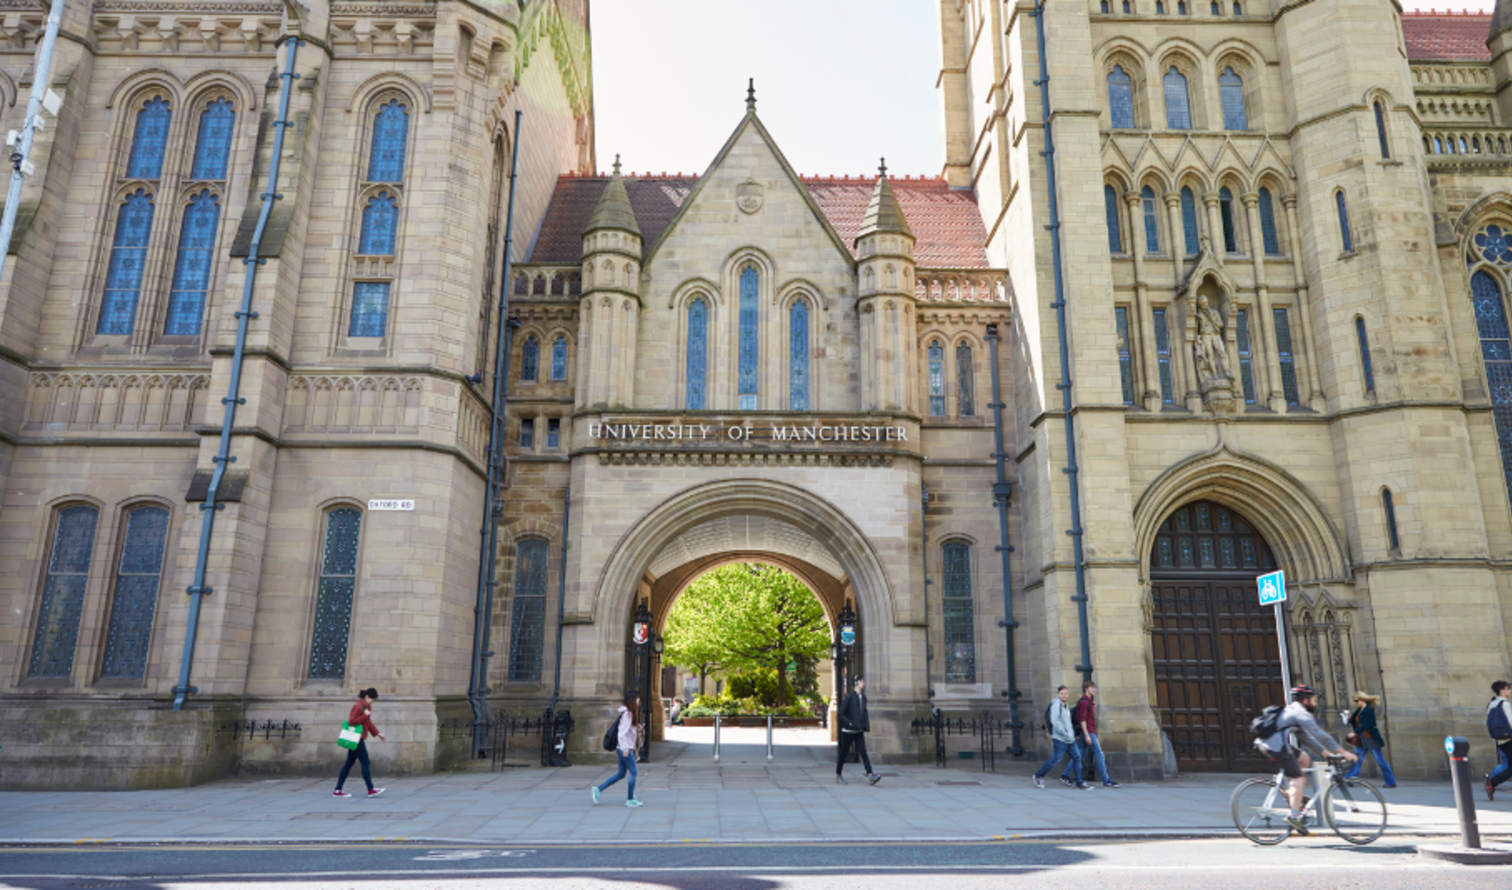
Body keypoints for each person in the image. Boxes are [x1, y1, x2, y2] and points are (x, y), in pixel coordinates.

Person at [1256, 684, 1357, 835]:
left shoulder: (1292, 711)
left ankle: (1292, 791)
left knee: (1304, 758)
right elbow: (1319, 734)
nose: (1316, 704)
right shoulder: (1301, 714)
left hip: (1268, 744)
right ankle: (1295, 815)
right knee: (1299, 779)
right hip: (1276, 746)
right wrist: (1343, 752)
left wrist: (1327, 754)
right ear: (1306, 701)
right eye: (1314, 700)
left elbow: (1309, 740)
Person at [1060, 681, 1120, 788]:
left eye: (1094, 688)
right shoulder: (1084, 702)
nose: (1094, 690)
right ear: (1086, 689)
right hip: (1088, 732)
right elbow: (1082, 720)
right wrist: (1087, 735)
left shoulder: (1087, 701)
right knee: (1099, 754)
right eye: (1092, 688)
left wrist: (1093, 709)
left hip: (1088, 731)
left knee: (1079, 755)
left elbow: (1087, 717)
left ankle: (1065, 775)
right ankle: (1106, 780)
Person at [593, 691, 643, 807]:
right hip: (624, 748)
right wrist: (626, 749)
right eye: (637, 699)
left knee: (621, 774)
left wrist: (637, 727)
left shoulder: (628, 713)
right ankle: (630, 799)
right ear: (633, 700)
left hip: (622, 747)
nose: (639, 701)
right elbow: (621, 734)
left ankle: (598, 789)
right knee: (634, 772)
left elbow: (626, 729)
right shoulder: (628, 714)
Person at [333, 687, 385, 798]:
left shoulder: (365, 708)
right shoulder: (358, 707)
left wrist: (378, 733)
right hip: (357, 740)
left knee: (348, 764)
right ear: (367, 697)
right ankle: (370, 789)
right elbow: (351, 721)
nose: (373, 702)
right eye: (372, 699)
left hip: (357, 739)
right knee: (365, 762)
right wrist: (364, 715)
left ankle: (337, 790)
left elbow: (368, 723)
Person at [1034, 685, 1087, 790]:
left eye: (1066, 694)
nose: (1064, 695)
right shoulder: (1056, 706)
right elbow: (1055, 723)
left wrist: (1070, 734)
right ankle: (1038, 775)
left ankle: (1079, 782)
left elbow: (1067, 723)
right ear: (1058, 694)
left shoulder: (1065, 706)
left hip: (1070, 739)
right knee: (1056, 759)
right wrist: (1065, 734)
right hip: (1060, 739)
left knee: (1077, 757)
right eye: (1062, 694)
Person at [1343, 691, 1396, 788]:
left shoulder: (1369, 710)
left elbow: (1366, 725)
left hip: (1371, 739)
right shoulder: (1359, 710)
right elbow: (1355, 721)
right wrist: (1347, 718)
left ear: (1363, 700)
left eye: (1357, 700)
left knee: (1380, 761)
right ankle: (1350, 779)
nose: (1356, 702)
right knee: (1357, 760)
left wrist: (1354, 732)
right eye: (1355, 701)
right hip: (1362, 739)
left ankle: (1391, 782)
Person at [836, 676, 880, 785]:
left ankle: (870, 775)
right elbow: (840, 713)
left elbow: (863, 713)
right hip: (848, 732)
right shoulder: (849, 697)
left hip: (858, 731)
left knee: (864, 753)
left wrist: (865, 726)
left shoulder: (863, 698)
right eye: (862, 682)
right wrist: (849, 723)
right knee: (844, 754)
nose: (863, 684)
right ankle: (838, 774)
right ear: (857, 683)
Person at [1486, 680, 1512, 800]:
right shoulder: (1504, 704)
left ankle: (1490, 779)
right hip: (1509, 738)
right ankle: (1492, 781)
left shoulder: (1491, 704)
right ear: (1502, 690)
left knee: (1506, 763)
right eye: (1508, 688)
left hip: (1499, 739)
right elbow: (1510, 721)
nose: (1510, 691)